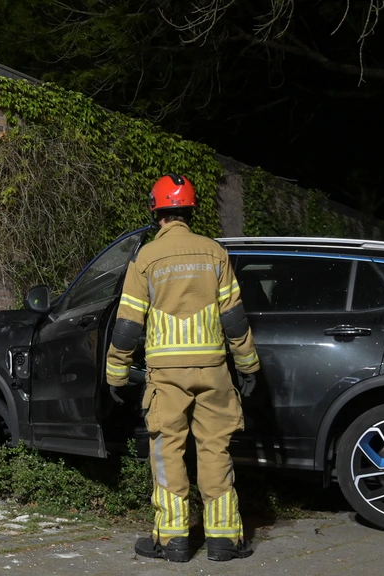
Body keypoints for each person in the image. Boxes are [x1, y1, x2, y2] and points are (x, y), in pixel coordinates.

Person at [105, 173, 260, 562]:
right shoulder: (215, 253)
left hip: (167, 377)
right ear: (190, 210)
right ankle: (224, 540)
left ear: (156, 212)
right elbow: (235, 320)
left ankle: (172, 541)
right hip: (214, 371)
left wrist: (116, 374)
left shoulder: (145, 259)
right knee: (216, 450)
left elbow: (127, 326)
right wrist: (248, 366)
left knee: (167, 451)